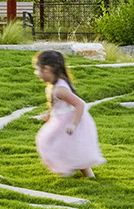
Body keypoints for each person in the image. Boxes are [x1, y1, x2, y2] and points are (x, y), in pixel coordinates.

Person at [33, 50, 105, 178]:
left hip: (70, 123)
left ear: (47, 69)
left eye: (37, 70)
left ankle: (66, 169)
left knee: (47, 141)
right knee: (74, 149)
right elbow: (61, 107)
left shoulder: (60, 89)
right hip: (64, 122)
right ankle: (89, 177)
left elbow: (79, 104)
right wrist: (49, 116)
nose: (37, 74)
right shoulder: (56, 85)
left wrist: (74, 124)